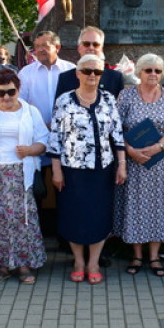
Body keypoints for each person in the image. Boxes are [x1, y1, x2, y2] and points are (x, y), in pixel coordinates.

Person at [48, 53, 127, 285]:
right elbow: (55, 138)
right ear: (78, 73)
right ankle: (78, 262)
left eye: (97, 71)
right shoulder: (64, 100)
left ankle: (93, 262)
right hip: (72, 169)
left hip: (102, 169)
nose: (92, 75)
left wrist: (121, 165)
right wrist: (56, 170)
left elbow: (118, 135)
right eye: (87, 71)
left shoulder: (109, 99)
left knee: (99, 216)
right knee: (74, 216)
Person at [0, 70, 48, 283]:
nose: (6, 97)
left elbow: (44, 141)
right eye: (0, 93)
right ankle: (2, 265)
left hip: (22, 174)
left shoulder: (31, 112)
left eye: (11, 92)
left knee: (23, 219)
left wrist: (30, 150)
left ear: (19, 90)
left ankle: (23, 265)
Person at [114, 54, 164, 277]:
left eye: (158, 71)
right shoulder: (126, 95)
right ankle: (137, 255)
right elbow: (115, 128)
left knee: (158, 208)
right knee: (135, 207)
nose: (153, 74)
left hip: (160, 164)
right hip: (133, 164)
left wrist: (158, 147)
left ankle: (154, 256)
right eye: (148, 70)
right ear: (139, 72)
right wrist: (131, 151)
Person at [20, 30, 76, 238]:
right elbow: (22, 106)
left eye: (45, 45)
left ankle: (67, 237)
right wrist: (41, 126)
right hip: (38, 138)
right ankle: (37, 235)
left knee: (67, 187)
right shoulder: (26, 73)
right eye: (37, 46)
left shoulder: (72, 70)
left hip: (69, 139)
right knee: (38, 189)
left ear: (57, 47)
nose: (40, 50)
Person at [54, 26, 124, 99]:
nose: (91, 48)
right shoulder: (65, 78)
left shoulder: (115, 78)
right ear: (79, 48)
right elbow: (58, 108)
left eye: (95, 45)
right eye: (86, 44)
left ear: (101, 49)